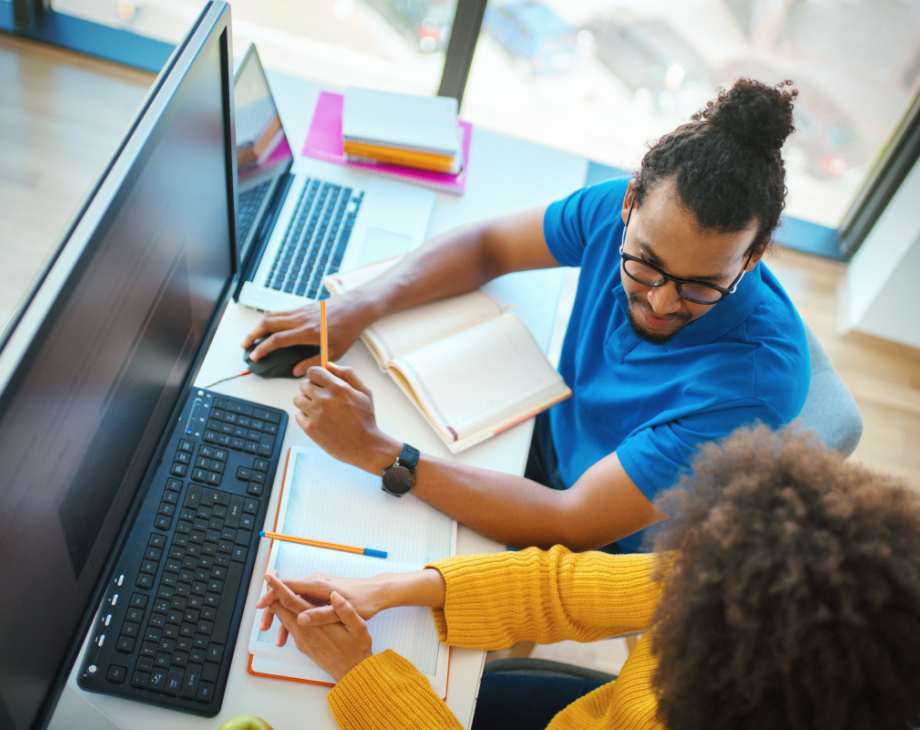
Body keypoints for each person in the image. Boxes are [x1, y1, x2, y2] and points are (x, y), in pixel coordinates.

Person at [241, 79, 811, 553]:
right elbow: (489, 246)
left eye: (701, 285)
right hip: (549, 419)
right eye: (646, 264)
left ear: (753, 256)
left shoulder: (757, 385)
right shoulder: (614, 210)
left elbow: (571, 520)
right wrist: (358, 305)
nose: (662, 302)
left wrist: (380, 453)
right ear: (630, 204)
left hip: (597, 521)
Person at [255, 425, 920, 730]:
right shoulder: (748, 579)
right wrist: (401, 587)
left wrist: (362, 672)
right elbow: (564, 588)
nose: (673, 584)